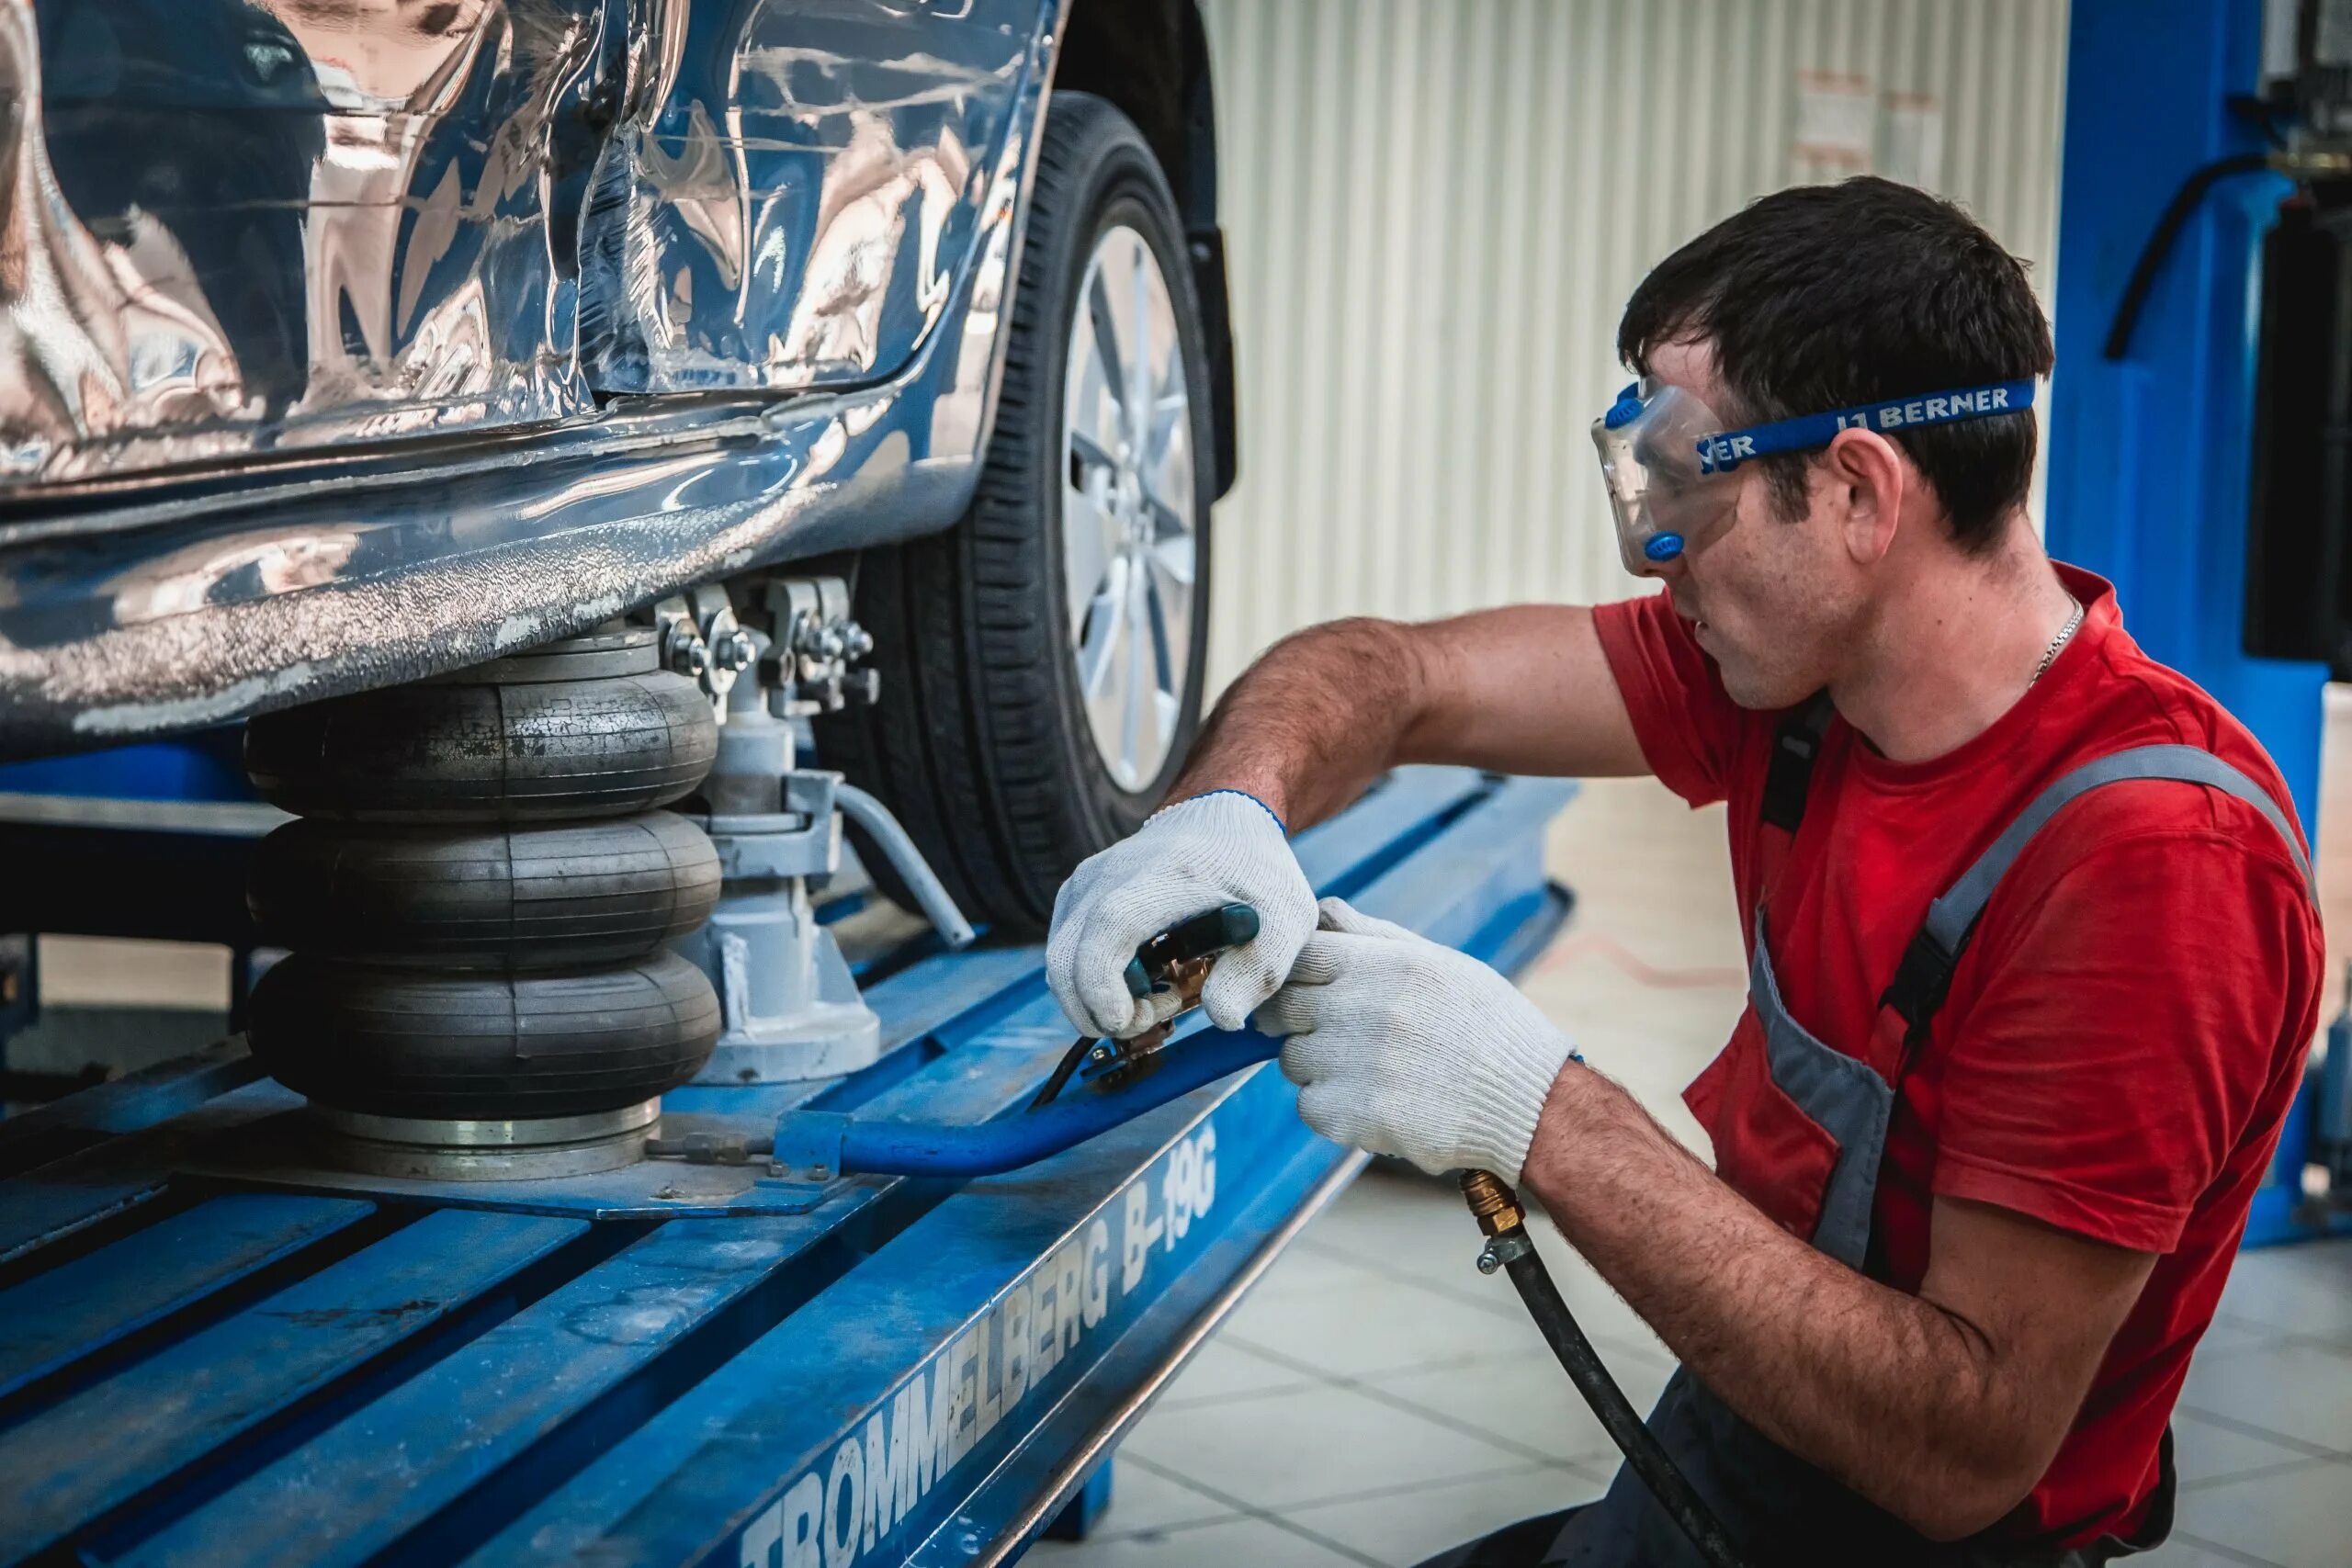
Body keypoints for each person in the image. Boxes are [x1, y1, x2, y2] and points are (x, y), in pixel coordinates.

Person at [1044, 177, 2324, 1567]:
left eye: (1689, 494)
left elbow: (1967, 1449)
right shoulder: (1798, 678)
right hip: (1751, 1432)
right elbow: (1394, 676)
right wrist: (1226, 811)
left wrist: (1536, 1109)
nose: (1661, 557)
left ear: (1855, 493)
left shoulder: (2149, 863)